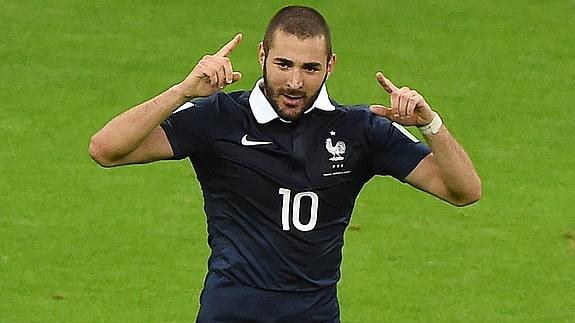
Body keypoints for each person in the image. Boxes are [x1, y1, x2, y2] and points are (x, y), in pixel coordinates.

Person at [89, 5, 481, 322]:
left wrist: (431, 124)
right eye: (283, 64)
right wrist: (182, 91)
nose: (295, 82)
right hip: (230, 313)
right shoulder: (217, 118)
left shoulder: (361, 129)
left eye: (310, 68)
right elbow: (106, 149)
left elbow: (464, 192)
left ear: (329, 66)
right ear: (262, 55)